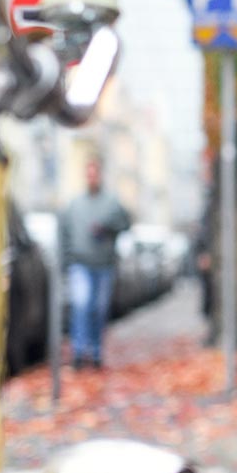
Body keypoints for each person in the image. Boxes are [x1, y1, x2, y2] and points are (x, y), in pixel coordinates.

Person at [59, 157, 130, 369]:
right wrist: (67, 261)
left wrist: (107, 227)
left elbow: (125, 223)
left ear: (100, 175)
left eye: (95, 173)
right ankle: (79, 353)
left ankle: (96, 352)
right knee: (81, 306)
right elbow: (65, 233)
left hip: (104, 264)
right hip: (80, 264)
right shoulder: (75, 204)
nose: (91, 177)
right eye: (88, 173)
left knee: (99, 309)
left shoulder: (111, 203)